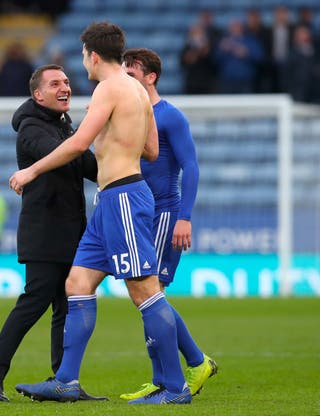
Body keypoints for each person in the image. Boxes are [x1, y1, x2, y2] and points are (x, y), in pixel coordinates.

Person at [9, 21, 190, 405]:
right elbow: (153, 151)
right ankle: (66, 381)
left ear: (92, 54)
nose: (83, 63)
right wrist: (117, 135)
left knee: (143, 289)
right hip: (112, 200)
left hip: (123, 197)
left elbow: (78, 143)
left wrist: (32, 169)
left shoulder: (109, 87)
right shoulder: (139, 91)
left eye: (82, 55)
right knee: (77, 283)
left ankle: (175, 388)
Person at [0, 64, 102, 402]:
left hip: (71, 231)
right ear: (38, 94)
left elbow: (90, 167)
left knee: (66, 307)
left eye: (66, 81)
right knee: (34, 303)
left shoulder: (64, 127)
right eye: (55, 83)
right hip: (45, 233)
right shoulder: (31, 129)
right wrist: (94, 133)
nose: (65, 87)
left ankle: (63, 381)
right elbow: (61, 157)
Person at [121, 47, 217, 400]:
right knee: (146, 296)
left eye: (132, 75)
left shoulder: (170, 116)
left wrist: (184, 218)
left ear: (151, 77)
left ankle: (179, 370)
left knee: (151, 293)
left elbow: (190, 166)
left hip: (164, 212)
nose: (126, 81)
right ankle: (175, 372)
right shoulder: (130, 114)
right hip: (138, 213)